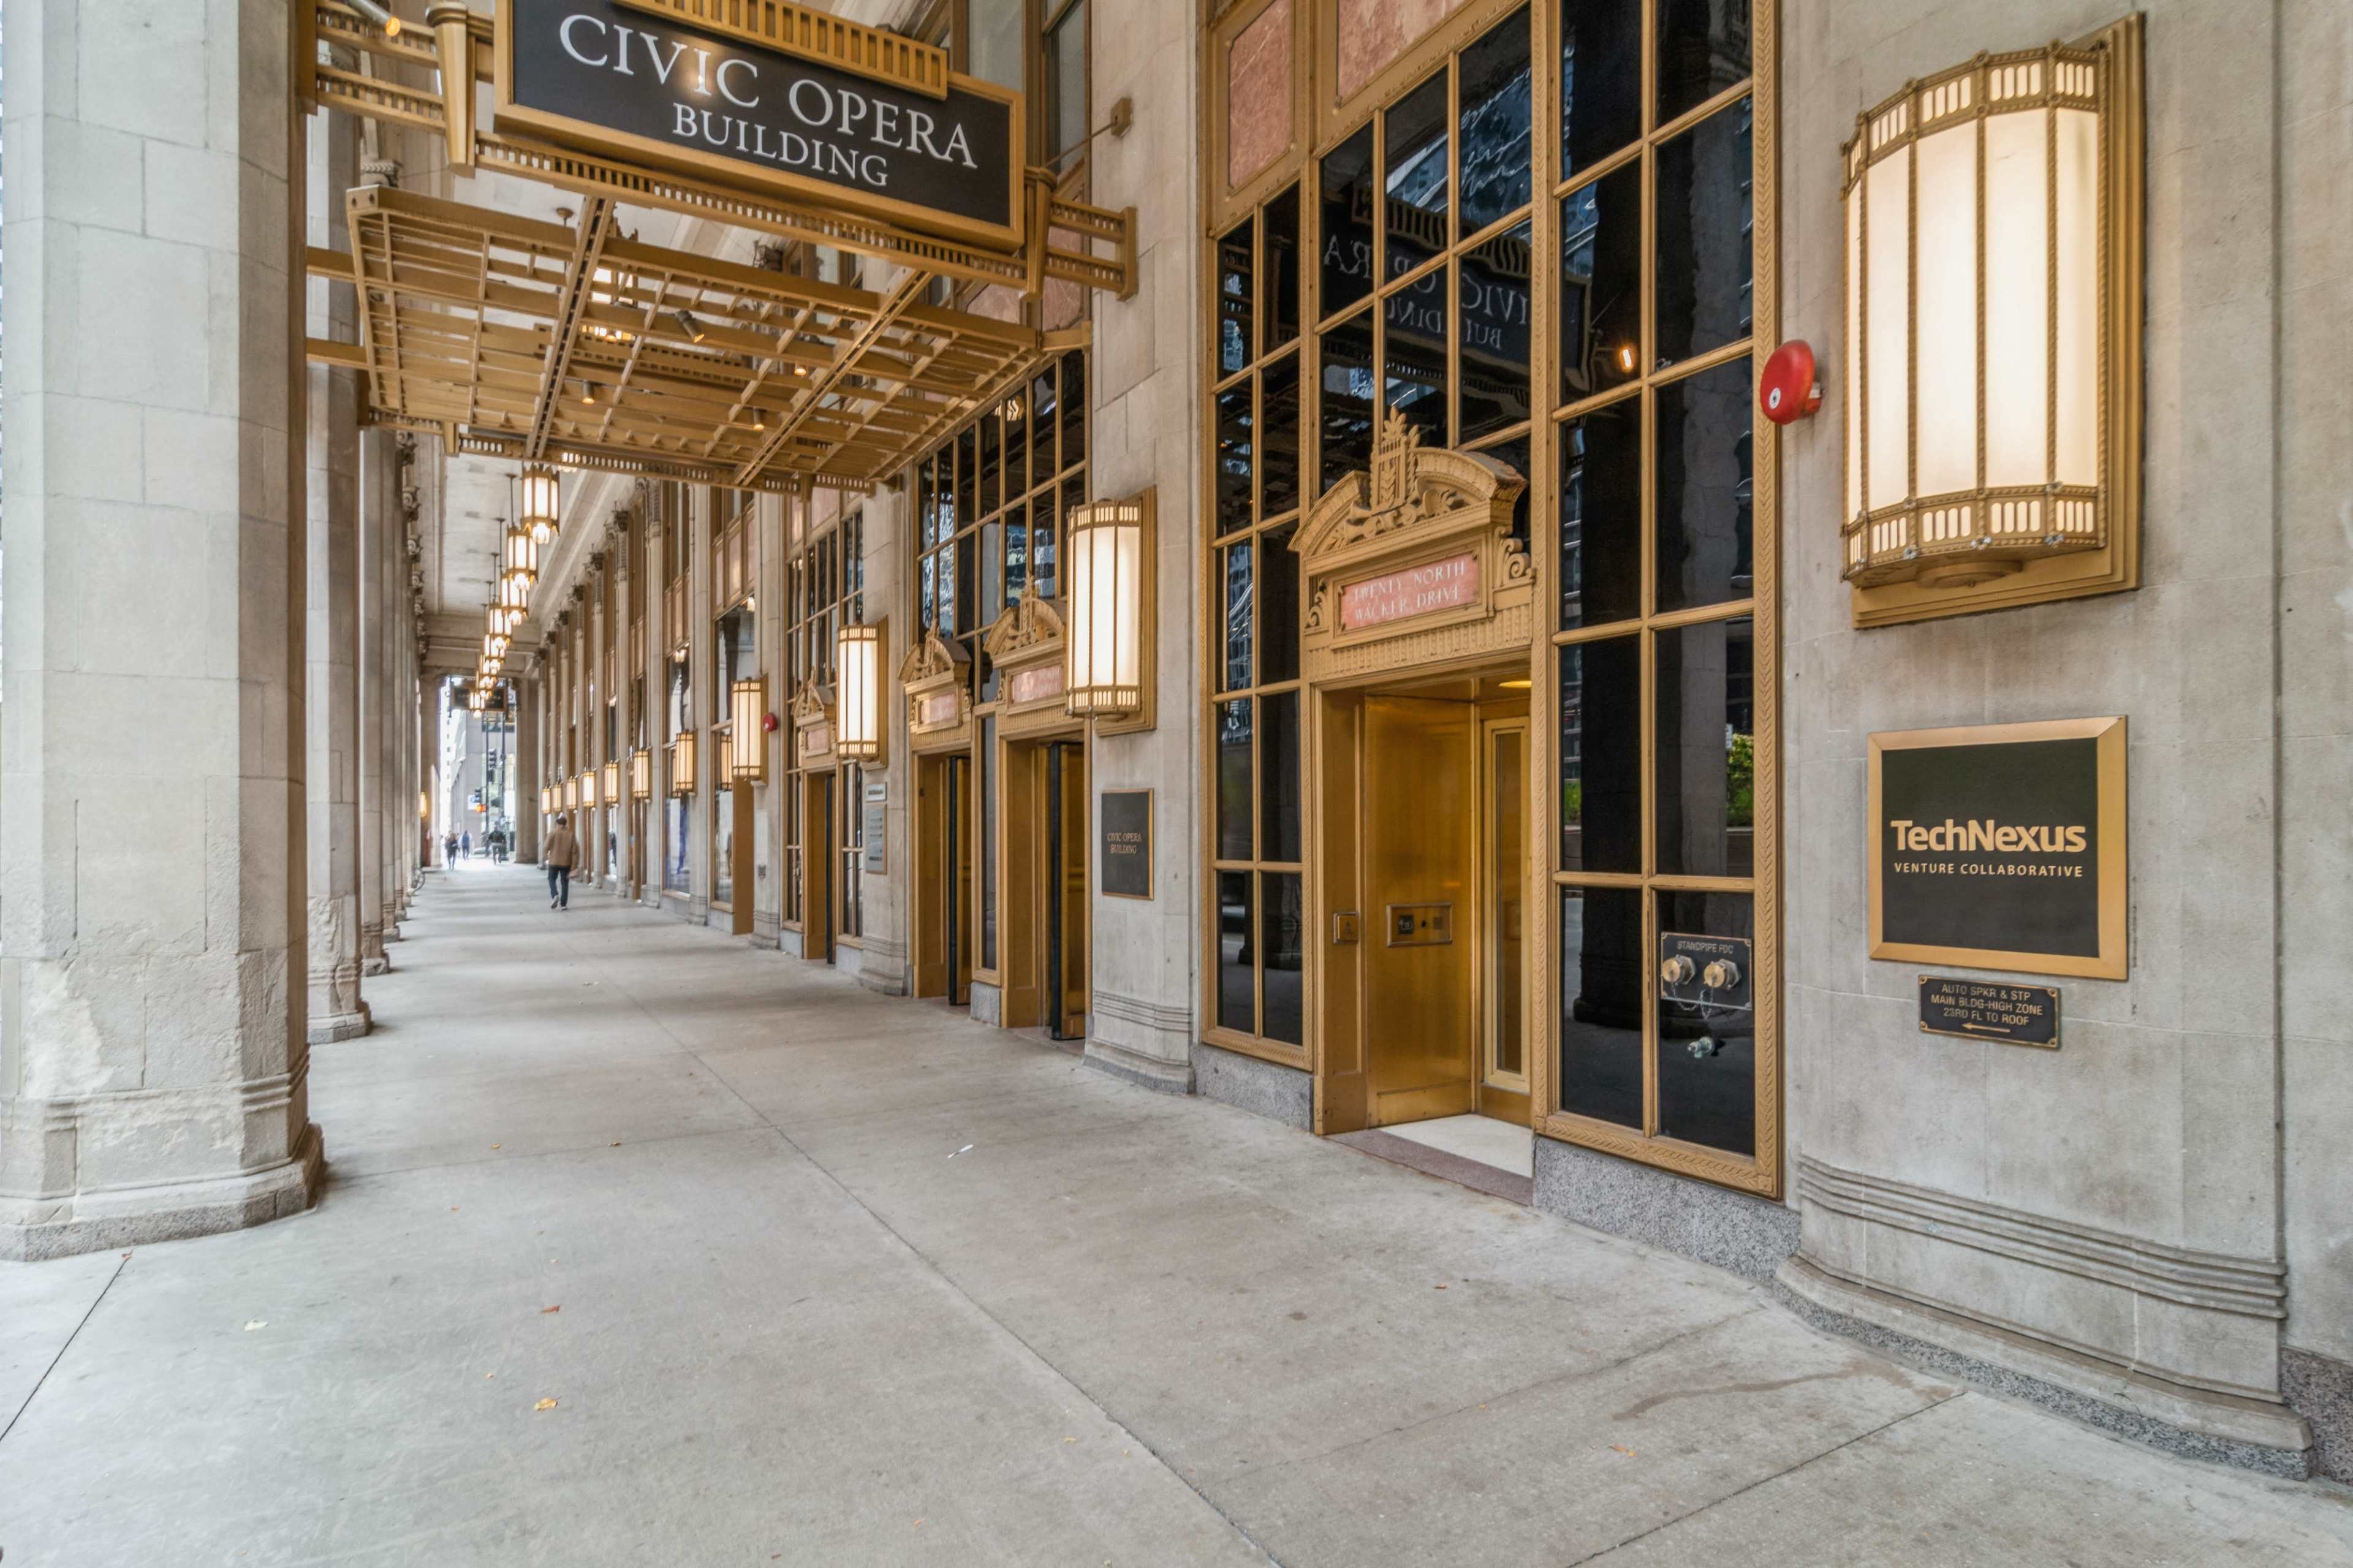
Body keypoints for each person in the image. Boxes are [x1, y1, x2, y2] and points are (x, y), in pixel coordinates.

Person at [542, 813, 578, 909]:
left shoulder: (552, 833)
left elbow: (546, 847)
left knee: (551, 879)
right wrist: (574, 866)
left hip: (553, 861)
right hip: (566, 862)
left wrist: (546, 858)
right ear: (565, 824)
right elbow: (575, 851)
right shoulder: (571, 834)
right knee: (565, 883)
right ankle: (563, 905)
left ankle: (555, 895)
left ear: (557, 824)